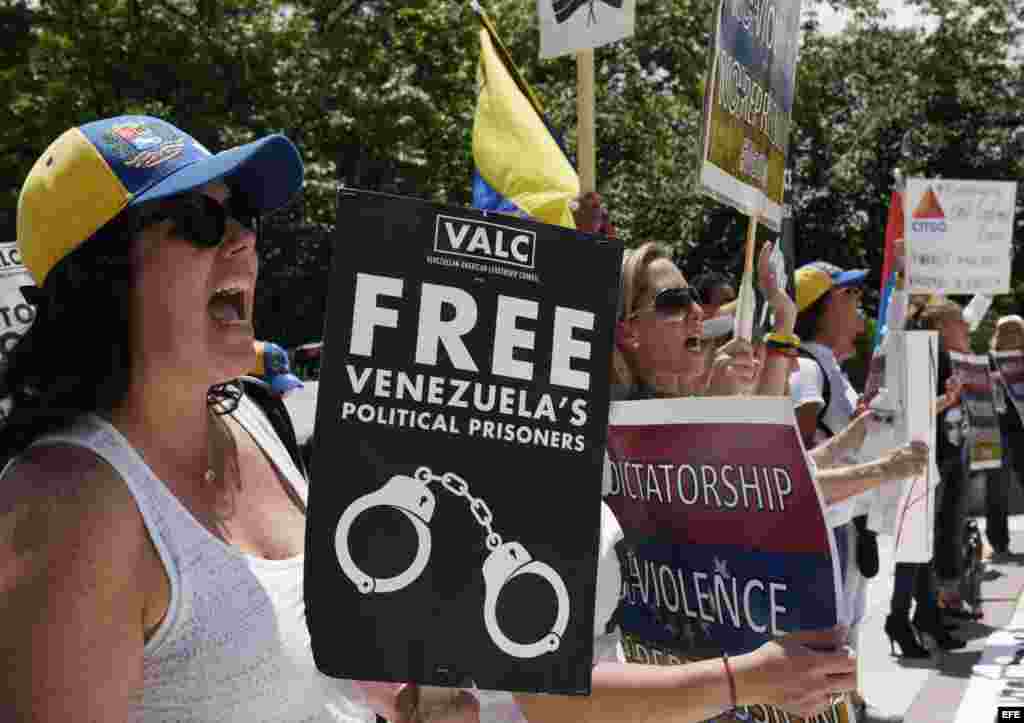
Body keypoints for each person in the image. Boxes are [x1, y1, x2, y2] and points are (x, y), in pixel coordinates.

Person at [0, 115, 386, 722]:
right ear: (100, 274)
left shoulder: (257, 415)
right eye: (201, 222)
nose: (245, 241)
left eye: (245, 217)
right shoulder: (67, 509)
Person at [985, 315, 1024, 557]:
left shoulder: (989, 360)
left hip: (1001, 429)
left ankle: (998, 544)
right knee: (997, 489)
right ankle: (998, 543)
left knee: (996, 489)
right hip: (1006, 429)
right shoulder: (991, 361)